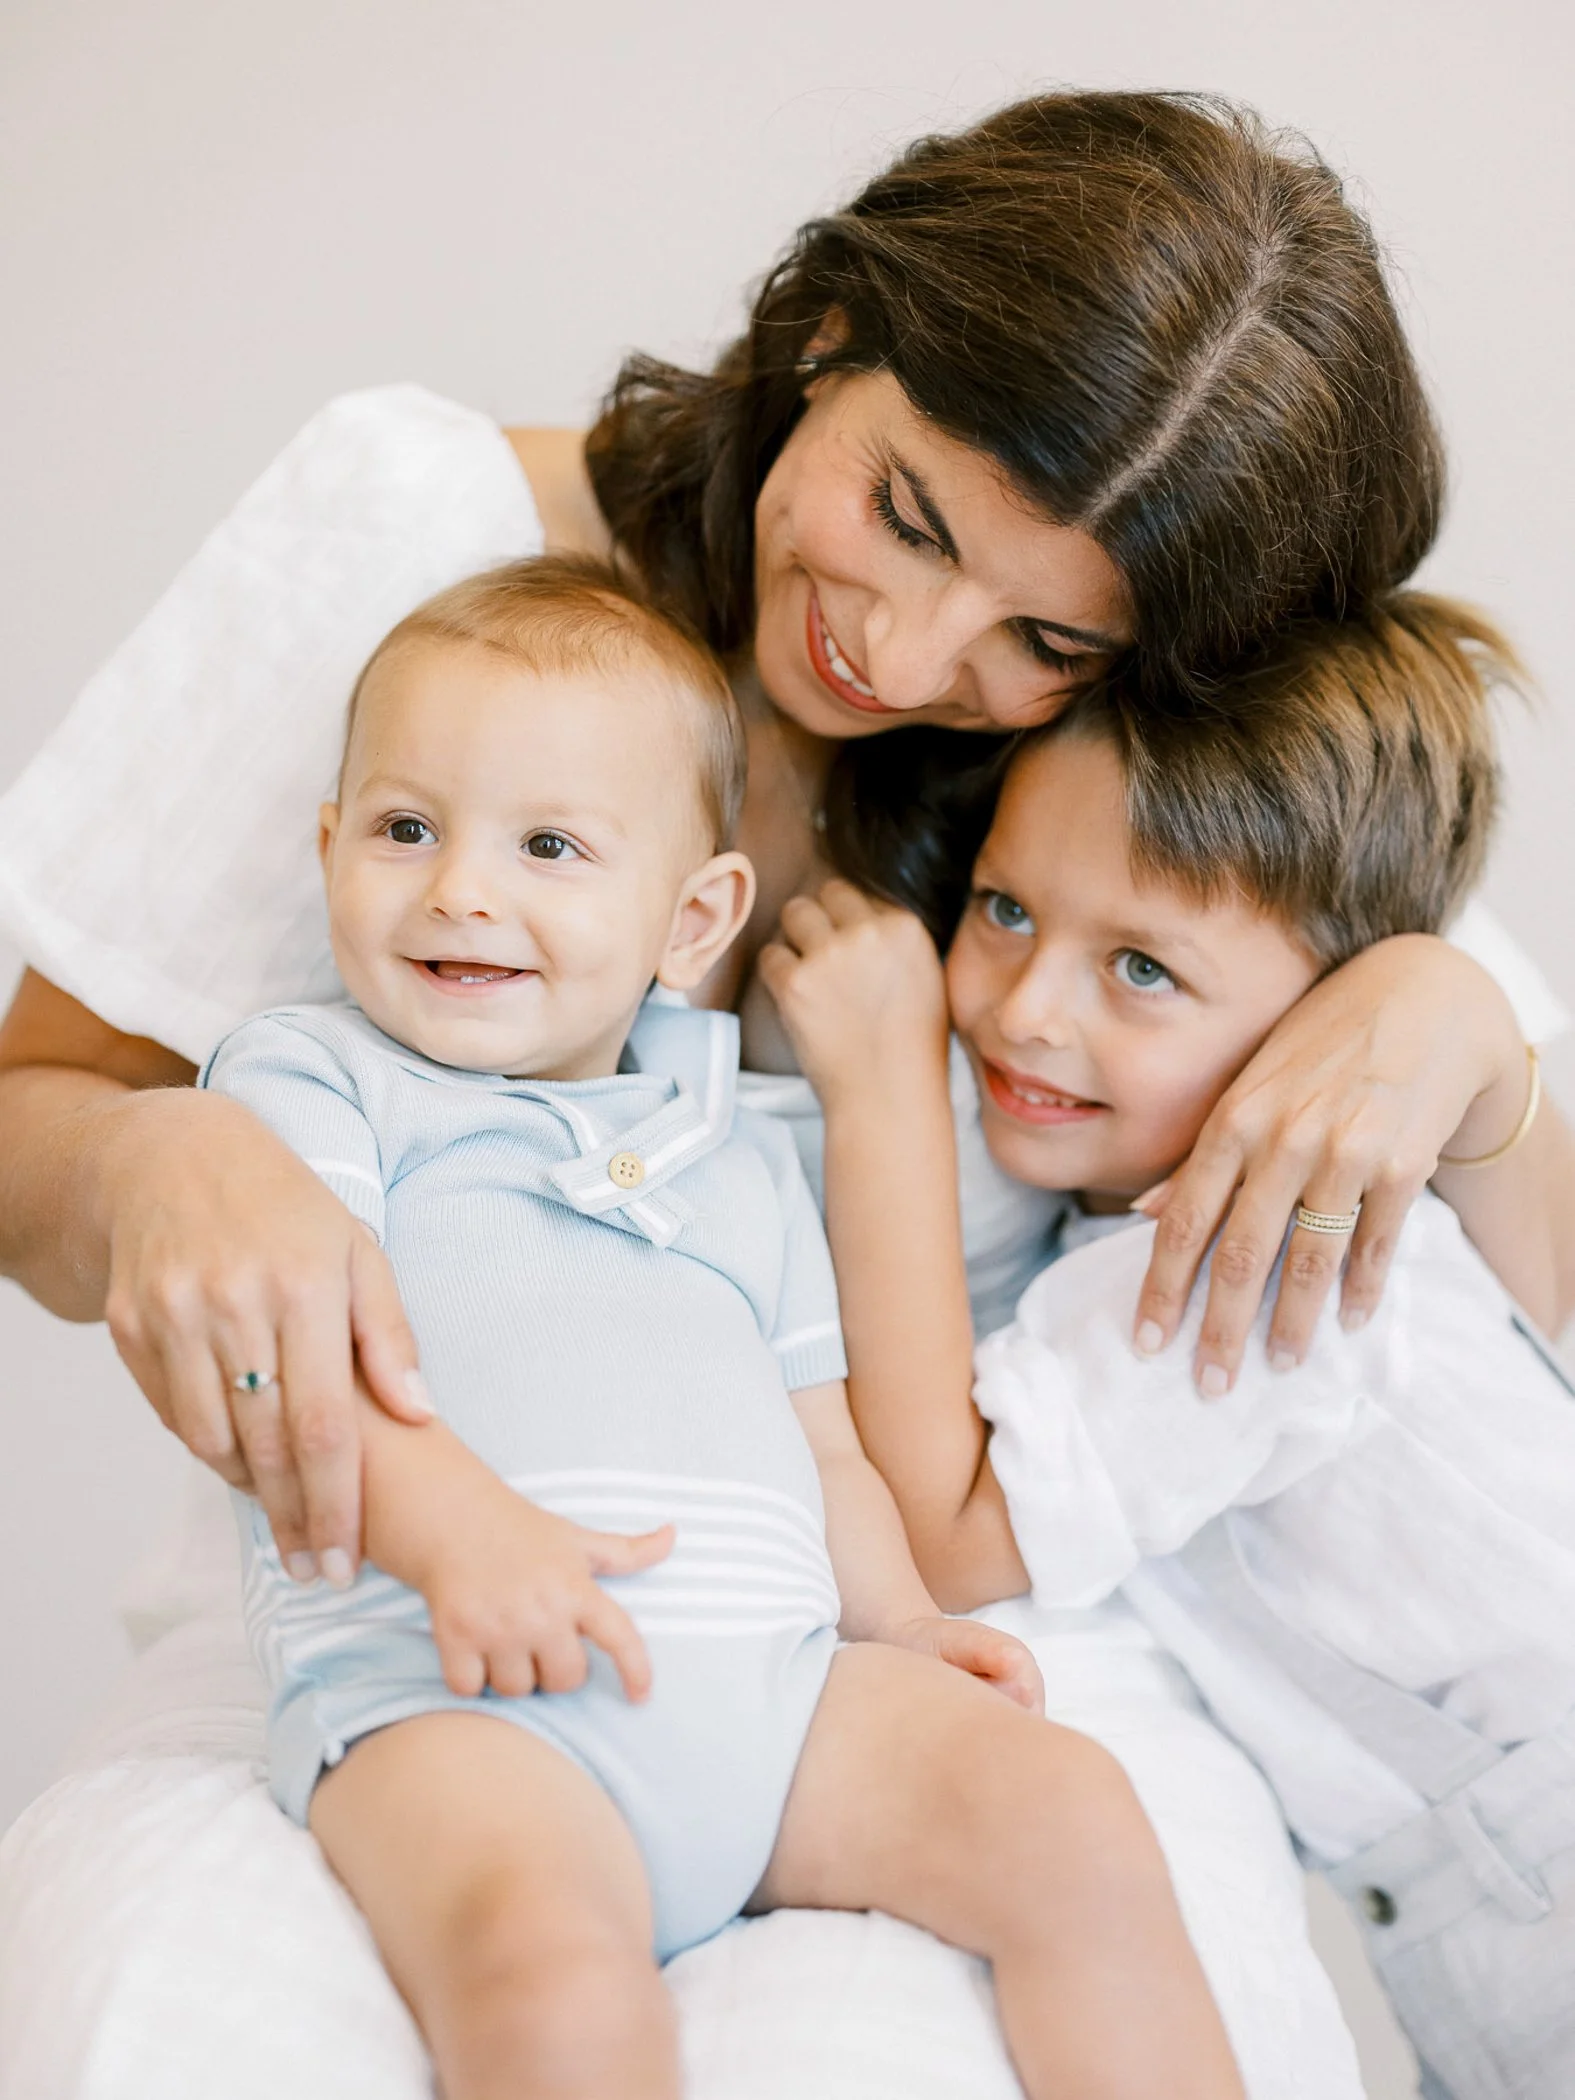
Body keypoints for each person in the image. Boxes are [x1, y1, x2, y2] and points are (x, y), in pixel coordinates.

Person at [0, 88, 1567, 2094]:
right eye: (905, 513)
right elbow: (36, 1116)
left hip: (911, 1625)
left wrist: (1449, 1017)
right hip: (419, 1581)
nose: (901, 655)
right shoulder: (431, 547)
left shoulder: (1133, 720)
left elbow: (1536, 1264)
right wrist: (158, 1158)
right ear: (826, 331)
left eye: (1038, 636)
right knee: (197, 2019)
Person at [207, 551, 1246, 2100]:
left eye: (548, 845)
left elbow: (822, 1444)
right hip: (462, 1704)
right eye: (404, 828)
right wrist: (455, 1533)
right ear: (328, 845)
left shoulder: (737, 1154)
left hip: (775, 1700)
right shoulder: (314, 1081)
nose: (460, 890)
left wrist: (898, 1627)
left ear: (690, 916)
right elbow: (288, 1357)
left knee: (1073, 1823)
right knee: (544, 1977)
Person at [763, 594, 1575, 2099]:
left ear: (1324, 1017)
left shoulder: (1266, 1252)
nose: (1025, 1011)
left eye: (1142, 968)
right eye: (1006, 910)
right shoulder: (1153, 1213)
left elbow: (943, 1535)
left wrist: (881, 1086)